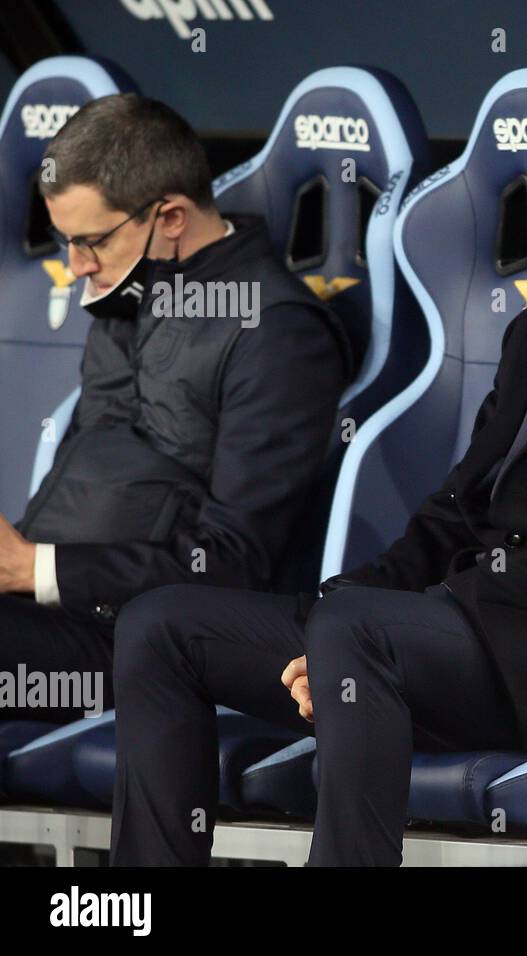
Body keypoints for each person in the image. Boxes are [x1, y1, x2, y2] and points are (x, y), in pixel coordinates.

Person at [109, 75, 527, 866]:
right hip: (482, 638)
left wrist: (376, 626)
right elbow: (458, 513)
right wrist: (342, 604)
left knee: (356, 634)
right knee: (162, 626)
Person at [0, 94, 352, 724]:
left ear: (169, 217)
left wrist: (37, 568)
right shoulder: (126, 290)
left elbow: (235, 562)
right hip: (49, 614)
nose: (75, 267)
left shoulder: (277, 331)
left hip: (142, 643)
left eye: (91, 241)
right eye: (65, 242)